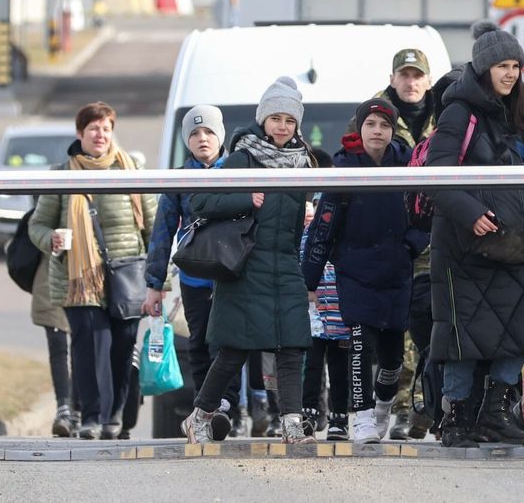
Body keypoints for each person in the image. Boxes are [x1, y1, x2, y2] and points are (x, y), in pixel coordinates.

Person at [428, 21, 524, 448]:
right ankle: (457, 418)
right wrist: (472, 213)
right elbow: (436, 174)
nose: (511, 73)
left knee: (521, 327)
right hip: (465, 244)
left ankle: (495, 413)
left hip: (511, 241)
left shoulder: (515, 114)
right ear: (483, 69)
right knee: (464, 336)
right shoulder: (458, 112)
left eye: (515, 65)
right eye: (502, 66)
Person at [182, 77, 315, 444]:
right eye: (276, 118)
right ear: (263, 119)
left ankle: (292, 424)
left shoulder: (303, 164)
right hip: (245, 268)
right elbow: (200, 202)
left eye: (290, 120)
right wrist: (245, 198)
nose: (282, 126)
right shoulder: (243, 157)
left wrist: (308, 212)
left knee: (292, 347)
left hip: (285, 267)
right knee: (234, 350)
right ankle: (199, 417)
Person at [303, 98, 429, 444]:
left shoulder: (407, 164)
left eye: (384, 125)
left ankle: (383, 406)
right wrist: (309, 279)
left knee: (392, 360)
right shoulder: (344, 169)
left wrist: (410, 246)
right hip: (355, 273)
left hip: (396, 272)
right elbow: (323, 229)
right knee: (359, 346)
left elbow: (425, 213)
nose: (377, 131)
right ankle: (361, 416)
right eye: (370, 124)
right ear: (359, 129)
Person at [29, 102, 157, 440]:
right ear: (80, 133)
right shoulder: (62, 174)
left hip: (127, 275)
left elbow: (153, 227)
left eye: (106, 128)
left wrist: (160, 279)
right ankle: (90, 416)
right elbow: (37, 225)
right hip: (80, 279)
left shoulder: (132, 170)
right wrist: (52, 239)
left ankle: (114, 414)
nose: (100, 135)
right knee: (89, 346)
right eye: (93, 128)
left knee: (122, 346)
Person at [141, 105, 237, 439]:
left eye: (208, 132)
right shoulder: (179, 177)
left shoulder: (239, 171)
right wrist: (154, 284)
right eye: (194, 133)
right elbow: (162, 231)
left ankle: (227, 407)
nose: (202, 139)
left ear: (220, 136)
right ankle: (204, 411)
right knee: (199, 343)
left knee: (229, 343)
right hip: (194, 277)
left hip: (232, 274)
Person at [366, 48, 436, 440]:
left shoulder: (445, 113)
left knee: (429, 326)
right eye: (404, 75)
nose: (411, 82)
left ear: (428, 79)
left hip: (434, 240)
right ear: (392, 78)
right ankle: (402, 409)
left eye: (417, 75)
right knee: (398, 331)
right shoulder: (374, 116)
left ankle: (426, 406)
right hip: (392, 241)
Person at [300, 195, 352, 441]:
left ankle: (339, 418)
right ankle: (308, 414)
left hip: (342, 316)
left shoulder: (348, 236)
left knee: (340, 369)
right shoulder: (307, 237)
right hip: (315, 316)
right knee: (312, 366)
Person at [30, 246, 73, 438]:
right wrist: (49, 238)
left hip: (90, 278)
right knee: (58, 346)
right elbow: (35, 231)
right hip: (51, 279)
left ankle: (78, 408)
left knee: (84, 346)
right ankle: (64, 408)